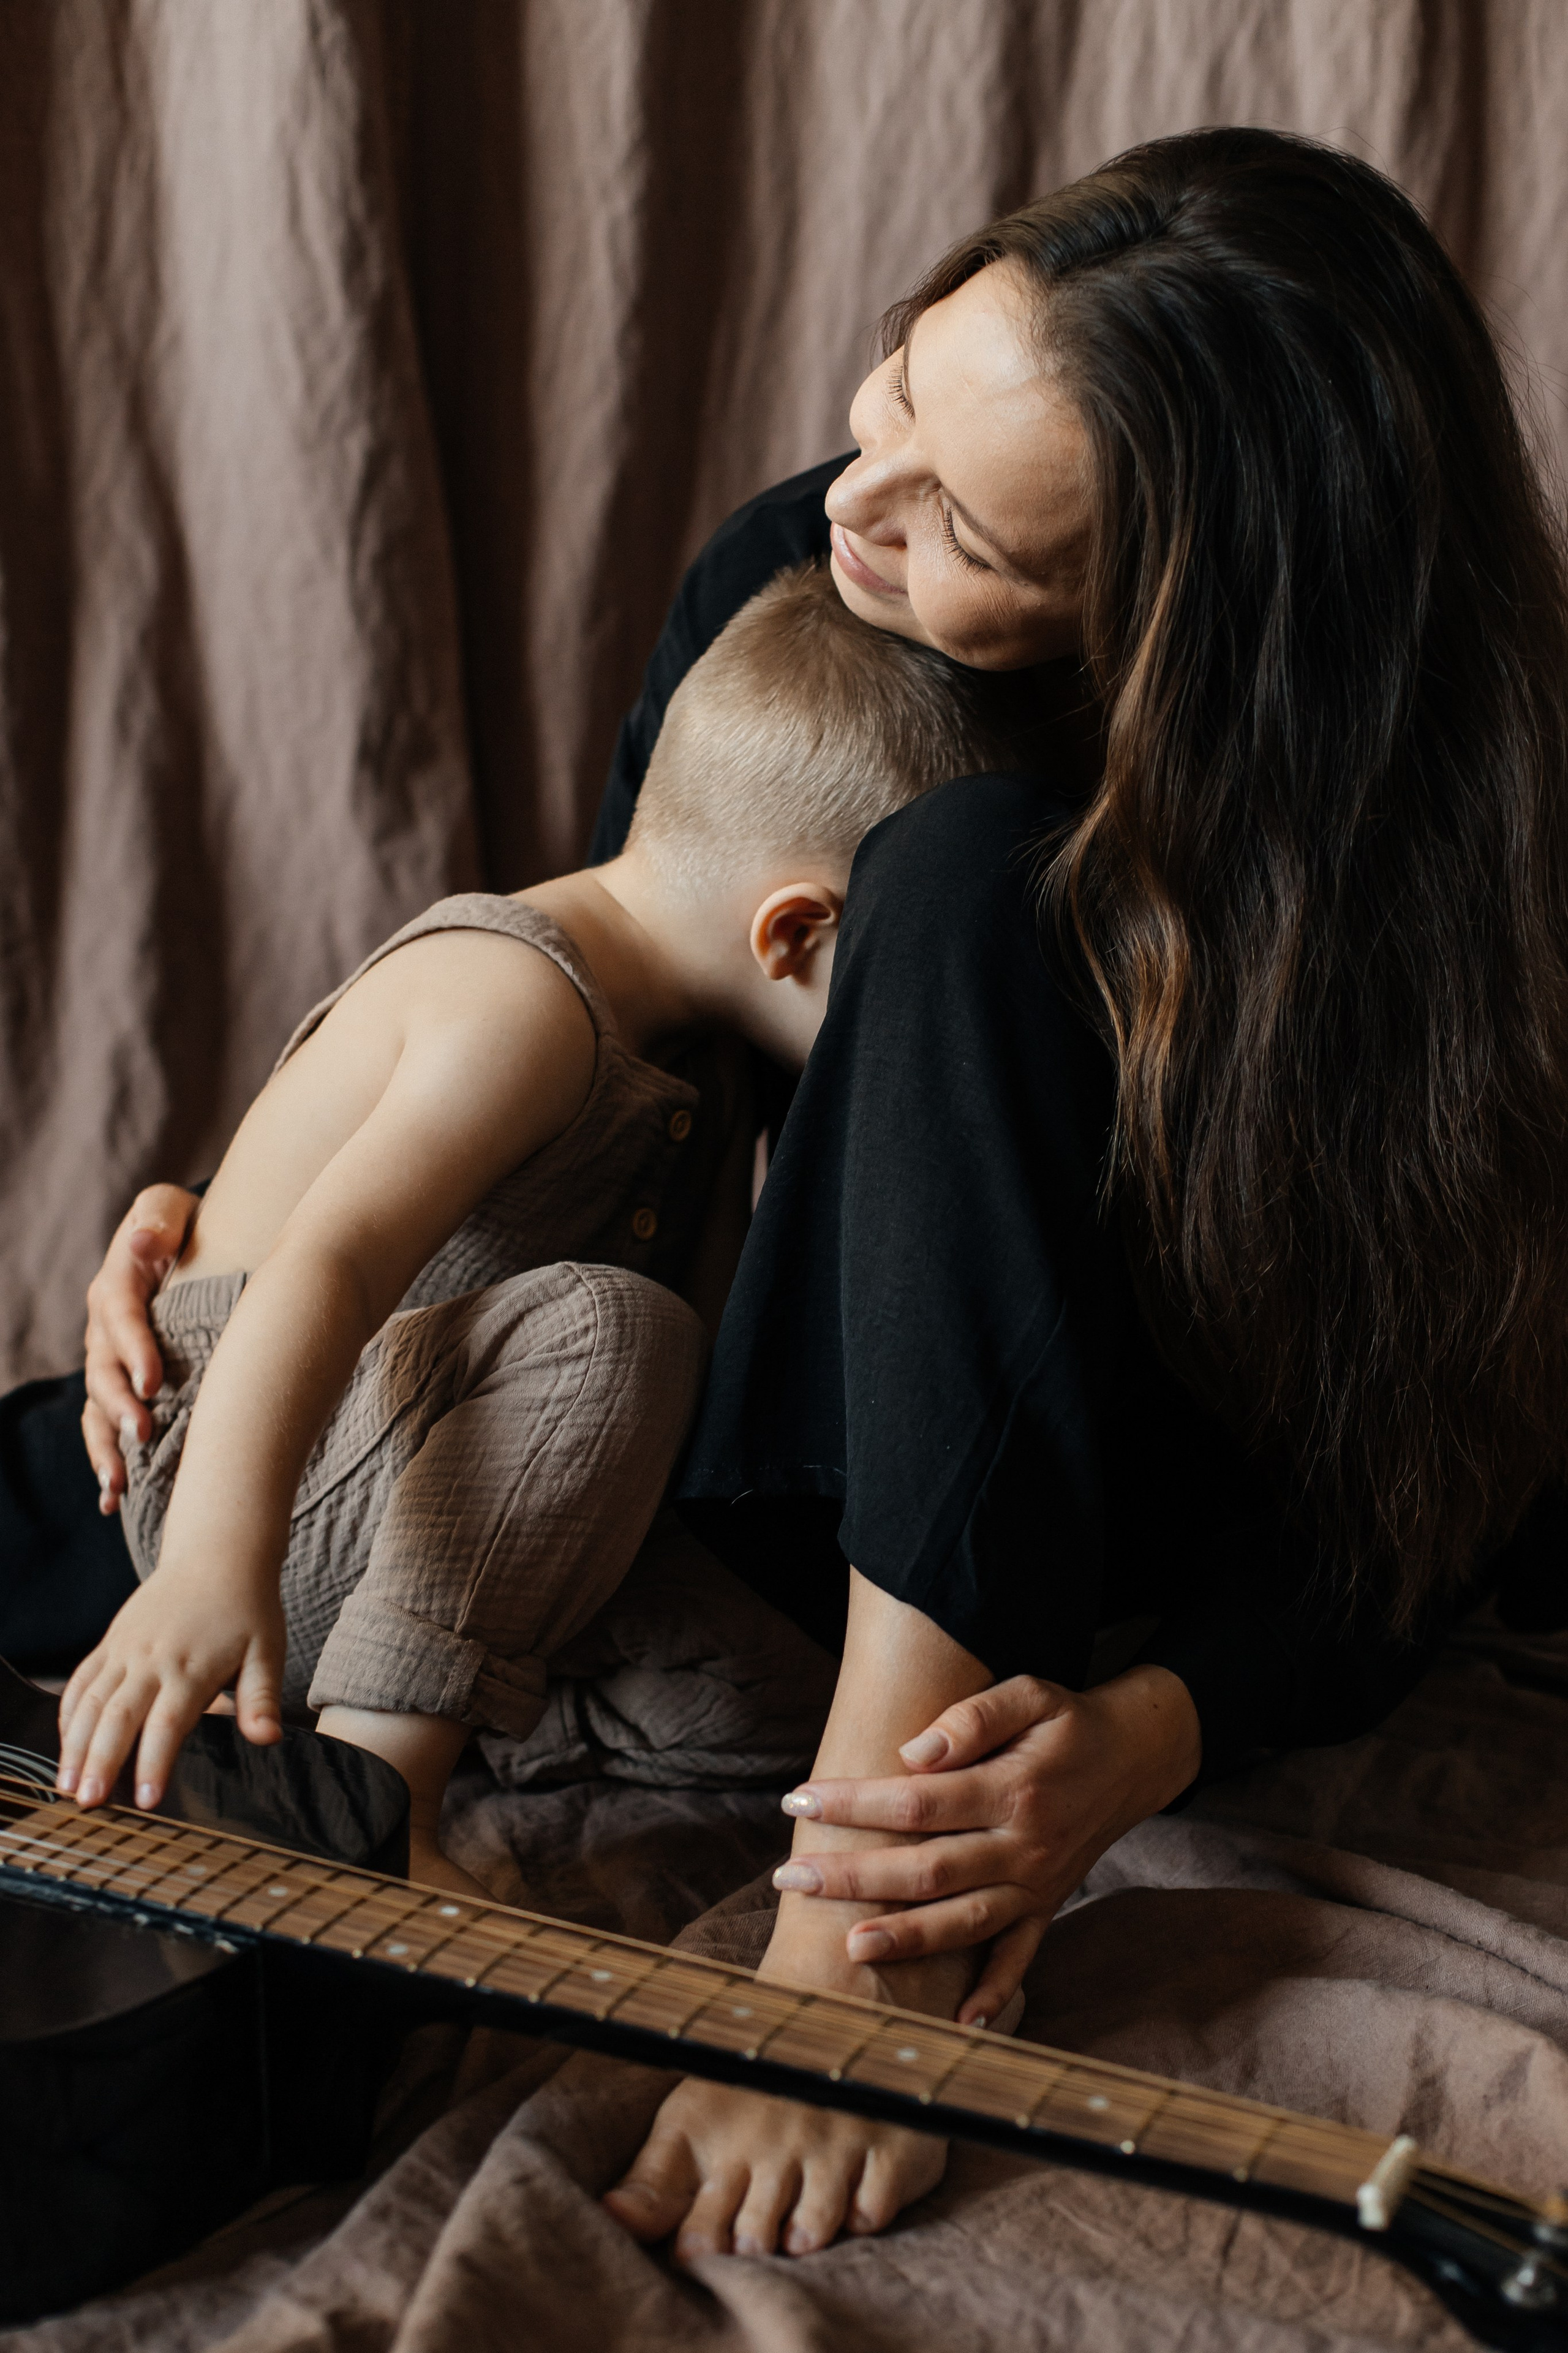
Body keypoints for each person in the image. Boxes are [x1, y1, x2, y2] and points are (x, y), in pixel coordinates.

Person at [42, 126, 1568, 2261]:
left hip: (1163, 1529)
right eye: (892, 397)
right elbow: (613, 1059)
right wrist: (258, 1210)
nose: (859, 504)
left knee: (950, 885)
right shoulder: (814, 566)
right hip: (771, 1434)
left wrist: (1143, 1736)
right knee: (92, 1490)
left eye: (963, 523)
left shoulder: (1432, 851)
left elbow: (1462, 1456)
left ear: (1175, 623)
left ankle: (871, 1910)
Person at [50, 563, 1015, 1892]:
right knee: (616, 1327)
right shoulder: (521, 1003)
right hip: (248, 1471)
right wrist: (215, 1568)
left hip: (423, 1472)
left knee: (809, 1718)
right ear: (795, 931)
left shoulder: (700, 1051)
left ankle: (459, 1689)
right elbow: (323, 1273)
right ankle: (372, 1799)